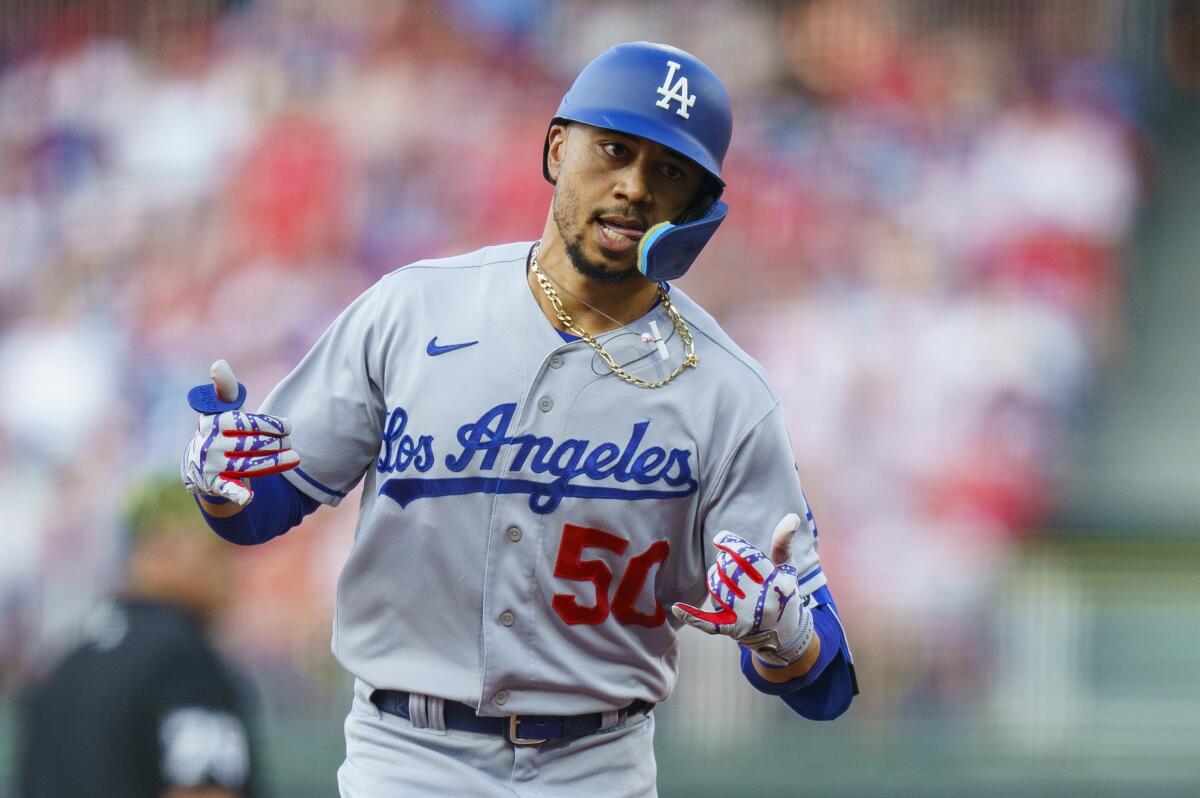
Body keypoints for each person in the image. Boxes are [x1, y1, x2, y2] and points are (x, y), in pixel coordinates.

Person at [180, 41, 857, 796]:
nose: (633, 187)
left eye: (668, 172)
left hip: (597, 764)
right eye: (613, 151)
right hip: (407, 756)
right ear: (558, 147)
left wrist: (783, 635)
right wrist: (222, 486)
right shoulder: (413, 310)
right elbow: (262, 507)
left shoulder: (728, 391)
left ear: (699, 208)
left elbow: (820, 681)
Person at [17, 477, 263, 798]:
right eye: (216, 551)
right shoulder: (185, 661)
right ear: (163, 549)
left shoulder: (63, 664)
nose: (229, 571)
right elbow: (204, 792)